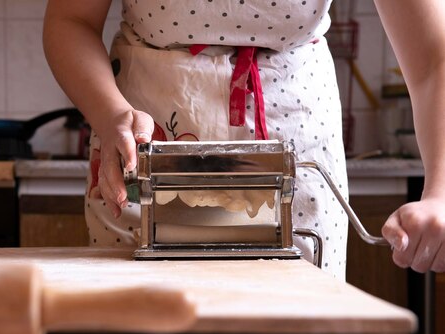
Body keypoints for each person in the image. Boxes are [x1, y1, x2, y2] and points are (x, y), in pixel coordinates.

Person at [43, 0, 445, 279]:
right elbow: (70, 20)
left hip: (296, 143)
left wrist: (441, 193)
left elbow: (432, 59)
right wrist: (111, 113)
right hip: (147, 150)